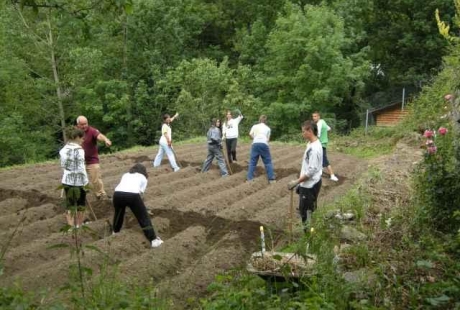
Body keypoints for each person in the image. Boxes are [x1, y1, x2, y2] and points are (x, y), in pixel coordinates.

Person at [112, 163, 163, 248]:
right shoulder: (143, 178)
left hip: (117, 194)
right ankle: (153, 240)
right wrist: (142, 208)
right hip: (133, 195)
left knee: (118, 214)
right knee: (143, 217)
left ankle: (115, 232)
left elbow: (124, 188)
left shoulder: (126, 174)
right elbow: (140, 193)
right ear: (143, 171)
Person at [288, 120, 323, 230]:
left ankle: (308, 237)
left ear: (310, 131)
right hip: (308, 183)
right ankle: (310, 233)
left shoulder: (314, 149)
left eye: (303, 131)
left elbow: (311, 171)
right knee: (307, 209)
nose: (302, 133)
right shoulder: (311, 143)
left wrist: (297, 182)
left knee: (306, 212)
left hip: (310, 185)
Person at [76, 115, 112, 200]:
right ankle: (78, 197)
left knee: (96, 179)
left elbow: (99, 135)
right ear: (78, 125)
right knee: (76, 179)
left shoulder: (92, 131)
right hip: (79, 161)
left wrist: (106, 140)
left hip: (91, 160)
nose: (84, 126)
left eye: (86, 124)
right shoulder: (75, 132)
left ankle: (101, 195)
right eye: (82, 124)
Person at [59, 128, 88, 228]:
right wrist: (85, 182)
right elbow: (81, 167)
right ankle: (79, 225)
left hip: (67, 180)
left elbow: (63, 166)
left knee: (70, 205)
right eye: (81, 138)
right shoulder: (79, 150)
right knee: (81, 205)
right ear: (76, 138)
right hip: (79, 181)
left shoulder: (63, 150)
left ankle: (71, 227)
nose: (83, 140)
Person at [247, 115, 276, 183]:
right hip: (264, 144)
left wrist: (255, 138)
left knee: (252, 162)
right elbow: (268, 139)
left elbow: (250, 134)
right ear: (266, 121)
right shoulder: (268, 128)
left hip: (255, 144)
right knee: (268, 162)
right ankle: (271, 179)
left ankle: (249, 178)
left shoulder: (254, 126)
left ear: (259, 120)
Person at [312, 112, 339, 181]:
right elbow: (329, 128)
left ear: (318, 117)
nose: (314, 118)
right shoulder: (323, 121)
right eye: (313, 116)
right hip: (324, 143)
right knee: (319, 158)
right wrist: (325, 134)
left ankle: (332, 175)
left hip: (320, 144)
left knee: (324, 160)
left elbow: (318, 135)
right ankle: (320, 171)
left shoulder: (319, 124)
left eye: (315, 116)